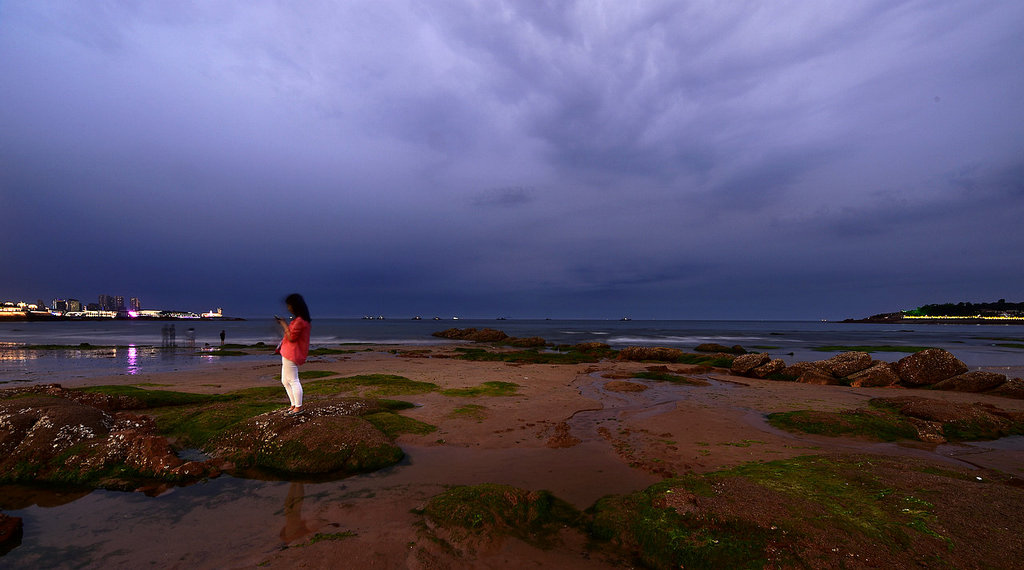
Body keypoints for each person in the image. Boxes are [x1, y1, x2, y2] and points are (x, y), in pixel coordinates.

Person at [275, 293, 311, 416]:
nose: (288, 308)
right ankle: (294, 404)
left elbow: (292, 337)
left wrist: (284, 325)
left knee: (293, 380)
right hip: (287, 352)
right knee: (285, 381)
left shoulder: (300, 321)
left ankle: (298, 407)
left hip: (292, 353)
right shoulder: (299, 320)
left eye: (289, 305)